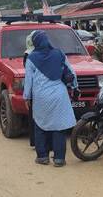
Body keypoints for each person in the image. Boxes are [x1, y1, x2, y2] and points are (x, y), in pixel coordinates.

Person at [23, 30, 77, 167]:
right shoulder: (59, 53)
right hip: (59, 94)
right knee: (59, 127)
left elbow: (28, 81)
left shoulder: (31, 58)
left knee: (40, 125)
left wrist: (26, 97)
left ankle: (42, 157)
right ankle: (59, 159)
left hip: (41, 97)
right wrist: (75, 87)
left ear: (35, 43)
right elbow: (71, 72)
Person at [23, 31, 36, 147]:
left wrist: (26, 96)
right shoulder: (52, 53)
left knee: (34, 117)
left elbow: (28, 78)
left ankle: (35, 141)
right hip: (48, 91)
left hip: (34, 92)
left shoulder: (28, 56)